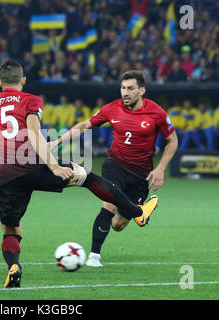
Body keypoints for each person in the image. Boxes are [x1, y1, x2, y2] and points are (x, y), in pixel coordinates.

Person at [0, 60, 159, 288]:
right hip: (31, 164)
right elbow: (34, 135)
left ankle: (14, 267)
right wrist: (55, 167)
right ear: (23, 81)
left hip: (3, 173)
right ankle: (138, 212)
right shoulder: (31, 100)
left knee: (11, 228)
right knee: (88, 178)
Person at [49, 70, 178, 267]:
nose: (125, 92)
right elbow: (85, 125)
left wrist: (160, 169)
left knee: (118, 225)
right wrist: (57, 141)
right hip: (115, 166)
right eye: (123, 88)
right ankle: (94, 257)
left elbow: (172, 141)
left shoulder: (157, 113)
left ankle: (140, 211)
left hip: (140, 175)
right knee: (108, 202)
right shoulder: (112, 109)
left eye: (130, 88)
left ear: (142, 90)